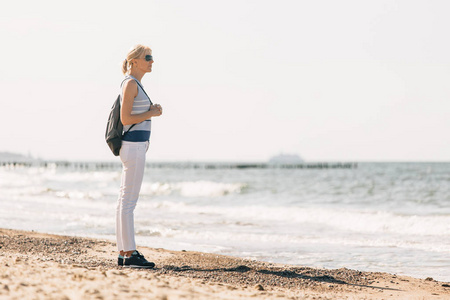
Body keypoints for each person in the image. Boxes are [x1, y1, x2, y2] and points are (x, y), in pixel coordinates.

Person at [116, 44, 162, 268]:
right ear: (134, 61)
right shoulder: (131, 84)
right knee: (128, 203)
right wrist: (151, 113)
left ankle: (124, 252)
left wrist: (150, 111)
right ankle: (130, 253)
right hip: (133, 147)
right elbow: (125, 119)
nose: (152, 61)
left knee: (125, 201)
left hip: (135, 147)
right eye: (148, 57)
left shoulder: (135, 84)